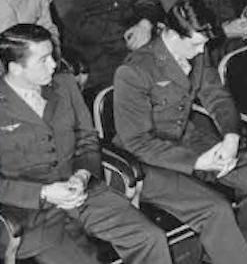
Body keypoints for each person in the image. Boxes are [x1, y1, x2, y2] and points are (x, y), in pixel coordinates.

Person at [113, 0, 247, 262]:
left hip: (187, 141)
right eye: (195, 43)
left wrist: (231, 137)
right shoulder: (134, 71)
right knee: (215, 209)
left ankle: (243, 255)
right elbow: (137, 142)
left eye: (204, 43)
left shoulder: (196, 54)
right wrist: (198, 161)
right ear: (169, 33)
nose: (202, 51)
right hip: (147, 162)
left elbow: (217, 96)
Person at [0, 23, 172, 263]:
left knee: (150, 237)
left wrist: (81, 175)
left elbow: (86, 138)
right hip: (31, 214)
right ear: (15, 68)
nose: (53, 64)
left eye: (52, 55)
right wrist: (44, 192)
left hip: (82, 192)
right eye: (43, 59)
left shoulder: (64, 84)